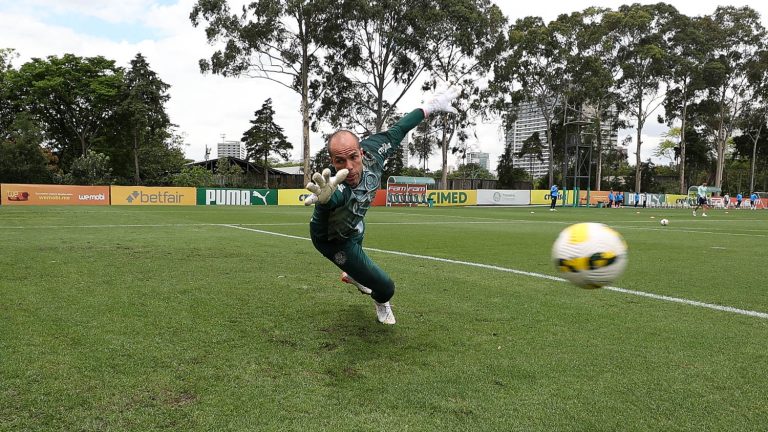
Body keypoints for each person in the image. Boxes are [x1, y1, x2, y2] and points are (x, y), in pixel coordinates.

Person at [303, 87, 460, 325]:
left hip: (355, 224)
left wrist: (429, 107)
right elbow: (333, 200)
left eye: (353, 157)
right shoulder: (334, 187)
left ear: (362, 152)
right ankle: (381, 302)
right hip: (331, 239)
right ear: (332, 162)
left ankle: (352, 275)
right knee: (385, 287)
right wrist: (326, 201)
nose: (349, 166)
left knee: (358, 226)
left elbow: (400, 128)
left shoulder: (375, 152)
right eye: (339, 161)